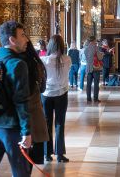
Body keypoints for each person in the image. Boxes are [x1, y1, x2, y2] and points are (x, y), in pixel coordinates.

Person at [0, 21, 35, 177]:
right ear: (12, 40)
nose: (26, 39)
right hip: (10, 127)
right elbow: (21, 101)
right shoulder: (17, 64)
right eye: (22, 35)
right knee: (20, 170)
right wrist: (26, 131)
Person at [39, 35, 71, 163]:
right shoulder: (67, 59)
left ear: (50, 45)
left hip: (46, 94)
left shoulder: (44, 60)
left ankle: (46, 153)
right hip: (62, 94)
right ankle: (60, 154)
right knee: (59, 123)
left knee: (46, 124)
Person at [22, 41, 50, 161]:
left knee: (22, 157)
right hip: (36, 110)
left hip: (21, 114)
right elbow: (43, 88)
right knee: (33, 156)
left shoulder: (16, 63)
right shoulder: (37, 64)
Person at [82, 38, 102, 102]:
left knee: (88, 84)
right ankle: (95, 98)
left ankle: (88, 98)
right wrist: (102, 54)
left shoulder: (86, 49)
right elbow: (100, 57)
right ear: (94, 41)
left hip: (88, 68)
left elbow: (86, 58)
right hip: (95, 68)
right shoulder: (96, 48)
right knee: (96, 84)